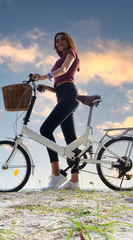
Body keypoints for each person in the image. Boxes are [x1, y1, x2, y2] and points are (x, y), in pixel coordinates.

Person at [34, 32, 81, 190]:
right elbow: (59, 86)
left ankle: (56, 175)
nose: (60, 42)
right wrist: (47, 87)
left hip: (69, 95)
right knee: (71, 141)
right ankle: (74, 181)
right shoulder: (58, 60)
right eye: (57, 40)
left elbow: (65, 69)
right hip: (63, 96)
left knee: (45, 129)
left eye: (62, 39)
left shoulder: (71, 53)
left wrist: (44, 76)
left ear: (69, 41)